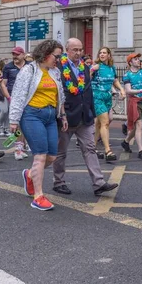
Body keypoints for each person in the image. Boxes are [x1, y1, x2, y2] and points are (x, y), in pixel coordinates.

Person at [52, 38, 118, 196]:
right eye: (75, 50)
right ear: (67, 50)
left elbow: (87, 91)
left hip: (85, 117)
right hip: (66, 117)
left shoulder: (85, 67)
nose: (78, 53)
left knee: (90, 149)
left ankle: (99, 183)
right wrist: (60, 114)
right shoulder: (58, 67)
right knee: (61, 152)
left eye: (80, 49)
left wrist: (91, 111)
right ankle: (58, 182)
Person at [9, 40, 66, 211]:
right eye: (57, 56)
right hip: (32, 115)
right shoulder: (29, 70)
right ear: (46, 54)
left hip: (50, 116)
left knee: (51, 157)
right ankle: (38, 196)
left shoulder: (54, 72)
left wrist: (62, 115)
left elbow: (60, 95)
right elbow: (18, 95)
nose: (59, 59)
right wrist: (13, 120)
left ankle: (29, 174)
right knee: (40, 156)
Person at [91, 47, 125, 162]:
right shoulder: (96, 67)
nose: (102, 54)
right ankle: (108, 150)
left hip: (107, 97)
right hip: (97, 97)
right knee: (105, 122)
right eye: (100, 53)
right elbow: (85, 79)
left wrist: (122, 89)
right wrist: (91, 71)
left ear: (109, 55)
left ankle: (92, 148)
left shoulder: (111, 68)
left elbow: (114, 80)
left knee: (98, 124)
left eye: (104, 53)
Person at [2, 47, 31, 161]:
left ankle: (21, 147)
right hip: (14, 99)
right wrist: (9, 97)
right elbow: (3, 84)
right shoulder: (8, 67)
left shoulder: (30, 66)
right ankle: (18, 148)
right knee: (16, 124)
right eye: (13, 54)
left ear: (23, 55)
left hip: (28, 99)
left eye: (17, 54)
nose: (15, 56)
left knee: (24, 124)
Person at [0, 59, 10, 137]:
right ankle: (0, 126)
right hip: (0, 94)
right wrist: (0, 80)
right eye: (6, 63)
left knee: (8, 112)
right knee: (4, 110)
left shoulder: (9, 72)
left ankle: (6, 128)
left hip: (8, 93)